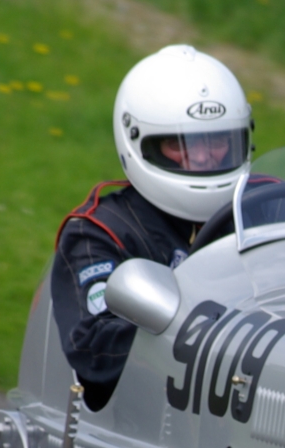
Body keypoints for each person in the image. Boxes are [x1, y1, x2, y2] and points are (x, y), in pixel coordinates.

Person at [49, 45, 252, 411]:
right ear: (140, 142)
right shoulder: (99, 233)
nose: (205, 158)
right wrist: (194, 327)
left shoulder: (266, 211)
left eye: (218, 141)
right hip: (146, 421)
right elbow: (92, 348)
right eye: (181, 144)